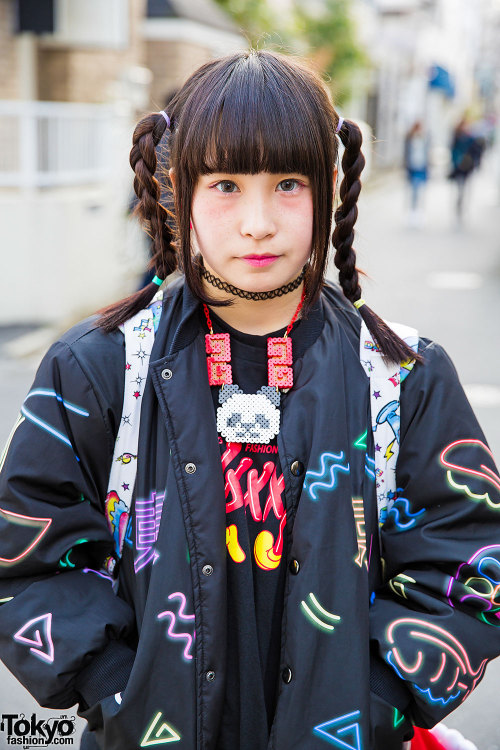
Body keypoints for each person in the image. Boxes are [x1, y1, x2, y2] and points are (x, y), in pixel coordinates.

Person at [0, 50, 499, 750]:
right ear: (179, 193)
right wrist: (120, 689)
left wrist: (376, 699)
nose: (259, 222)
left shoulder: (401, 375)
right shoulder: (100, 369)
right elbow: (26, 558)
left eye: (288, 183)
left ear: (330, 188)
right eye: (227, 185)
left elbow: (469, 561)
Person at [448, 117, 483, 222]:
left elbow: (476, 151)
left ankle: (463, 204)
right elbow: (452, 150)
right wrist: (456, 162)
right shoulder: (456, 137)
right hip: (458, 167)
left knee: (465, 187)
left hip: (467, 168)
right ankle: (459, 204)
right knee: (460, 186)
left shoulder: (471, 139)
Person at [403, 121, 430, 227]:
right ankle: (412, 212)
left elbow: (427, 153)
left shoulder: (425, 139)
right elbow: (406, 153)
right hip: (413, 167)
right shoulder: (409, 139)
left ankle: (419, 212)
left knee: (421, 190)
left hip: (422, 167)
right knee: (414, 190)